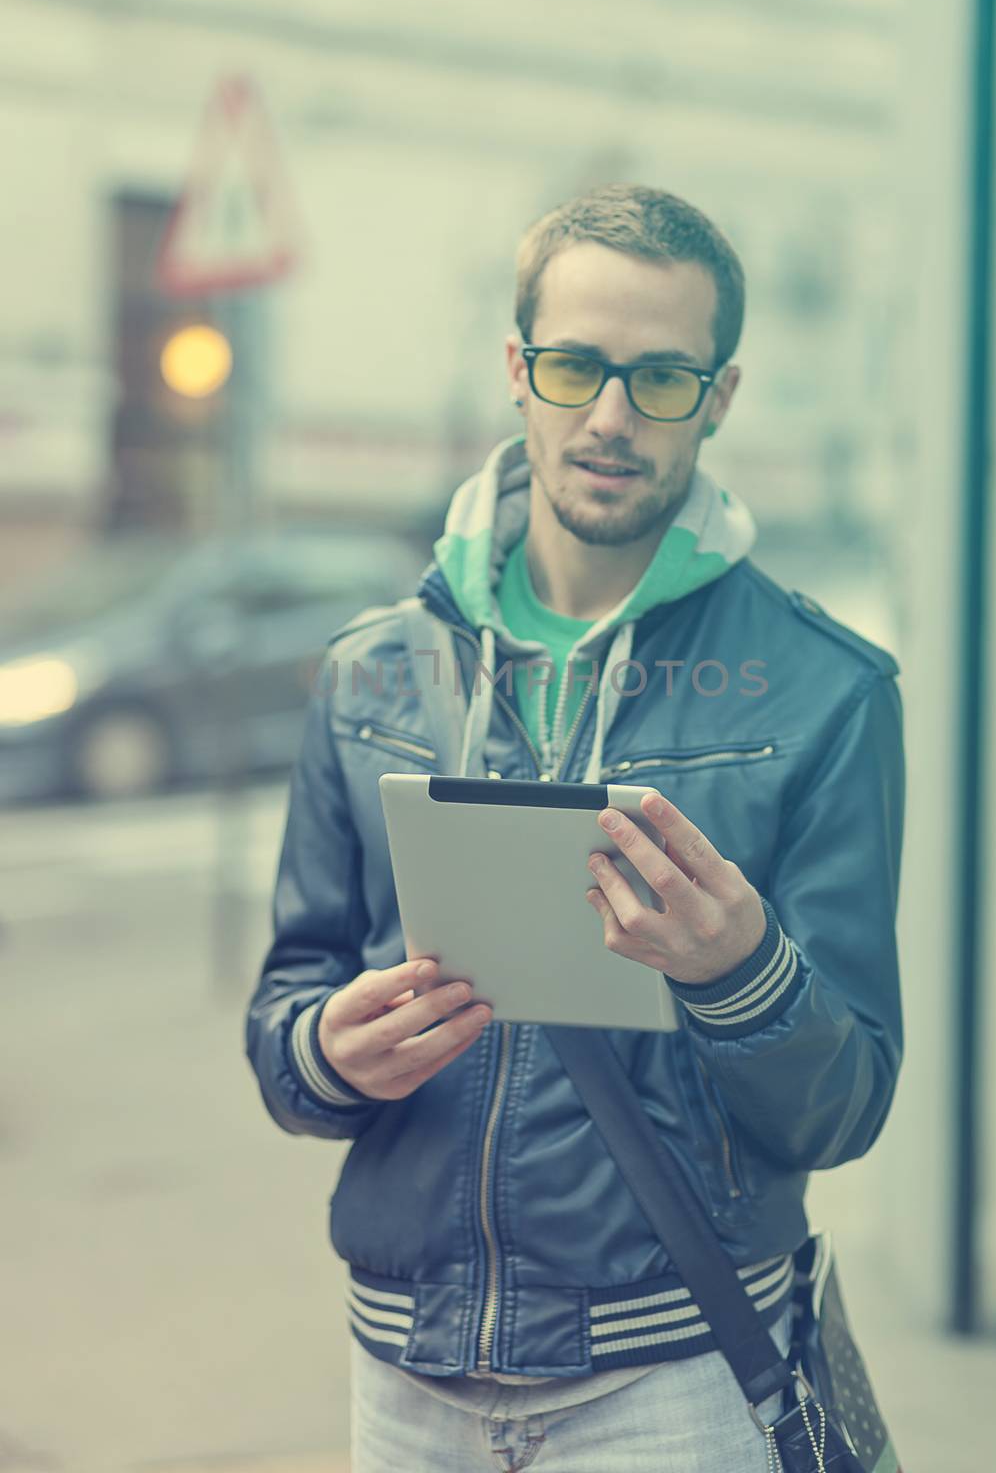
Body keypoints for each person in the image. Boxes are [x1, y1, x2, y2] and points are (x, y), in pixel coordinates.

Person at [244, 184, 906, 1472]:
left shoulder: (829, 694)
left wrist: (742, 975)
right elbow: (286, 1022)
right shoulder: (372, 672)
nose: (611, 417)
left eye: (662, 378)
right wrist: (326, 1050)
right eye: (575, 368)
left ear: (719, 398)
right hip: (403, 1369)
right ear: (517, 371)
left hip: (677, 1376)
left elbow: (846, 1106)